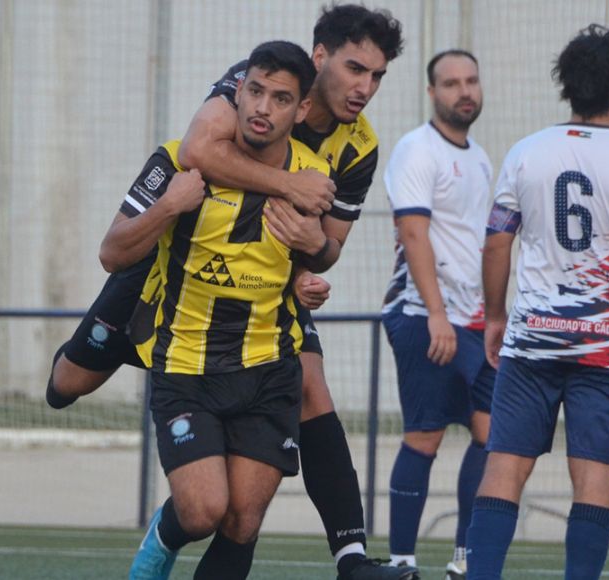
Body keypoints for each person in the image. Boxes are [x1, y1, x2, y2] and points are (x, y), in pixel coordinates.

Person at [48, 6, 411, 579]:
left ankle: (352, 558)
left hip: (262, 292)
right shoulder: (253, 84)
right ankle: (137, 343)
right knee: (65, 386)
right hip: (173, 265)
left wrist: (311, 257)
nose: (365, 87)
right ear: (320, 62)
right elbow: (195, 152)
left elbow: (328, 246)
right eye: (355, 69)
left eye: (377, 76)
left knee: (301, 406)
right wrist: (289, 183)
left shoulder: (357, 147)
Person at [466, 24, 609, 579]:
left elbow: (497, 242)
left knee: (503, 468)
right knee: (594, 478)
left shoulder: (526, 153)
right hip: (606, 348)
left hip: (532, 338)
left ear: (566, 88)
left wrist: (495, 316)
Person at [106, 40, 321, 580]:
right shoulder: (178, 161)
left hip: (268, 370)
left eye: (279, 98)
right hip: (186, 364)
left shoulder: (314, 179)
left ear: (302, 111)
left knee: (242, 521)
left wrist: (311, 276)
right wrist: (169, 207)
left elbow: (316, 254)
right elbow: (112, 252)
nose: (261, 108)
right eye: (253, 91)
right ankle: (161, 541)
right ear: (237, 89)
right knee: (203, 511)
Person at [381, 50, 492, 580]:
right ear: (432, 93)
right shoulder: (415, 150)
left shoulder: (482, 158)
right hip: (424, 316)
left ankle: (466, 559)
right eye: (451, 83)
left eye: (470, 81)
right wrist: (438, 315)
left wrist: (494, 315)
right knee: (424, 436)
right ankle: (402, 561)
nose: (463, 91)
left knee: (492, 437)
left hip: (476, 322)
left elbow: (480, 244)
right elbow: (414, 234)